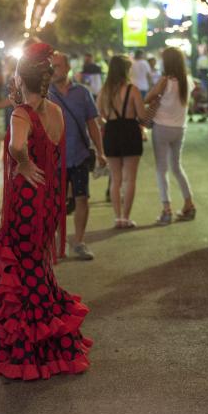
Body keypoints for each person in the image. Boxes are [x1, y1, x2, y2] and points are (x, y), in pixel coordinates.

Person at [0, 43, 93, 380]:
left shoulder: (23, 114)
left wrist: (22, 164)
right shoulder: (55, 111)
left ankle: (30, 350)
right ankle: (48, 341)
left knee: (22, 271)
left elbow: (17, 145)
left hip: (27, 200)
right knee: (36, 267)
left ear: (22, 77)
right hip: (49, 199)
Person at [48, 52, 106, 260]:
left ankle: (79, 242)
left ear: (68, 67)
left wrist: (100, 151)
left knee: (82, 198)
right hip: (53, 159)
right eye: (51, 66)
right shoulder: (45, 94)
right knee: (55, 202)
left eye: (57, 66)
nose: (54, 70)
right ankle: (56, 242)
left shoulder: (82, 93)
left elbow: (92, 123)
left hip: (79, 154)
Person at [144, 47, 196, 225]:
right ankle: (189, 203)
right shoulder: (188, 81)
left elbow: (147, 98)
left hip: (162, 128)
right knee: (177, 167)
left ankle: (167, 210)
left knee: (161, 169)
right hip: (180, 128)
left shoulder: (165, 81)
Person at [98, 55, 148, 228]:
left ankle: (117, 217)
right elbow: (142, 116)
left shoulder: (104, 91)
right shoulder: (132, 90)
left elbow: (99, 115)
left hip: (111, 131)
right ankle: (126, 217)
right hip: (130, 131)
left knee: (115, 178)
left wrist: (108, 120)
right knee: (130, 179)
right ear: (125, 70)